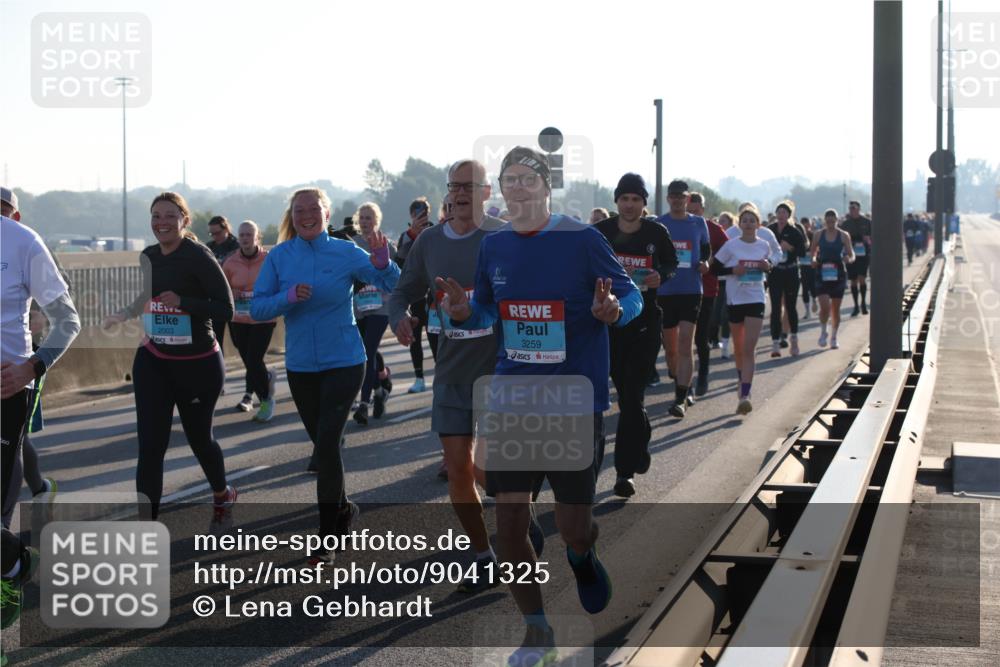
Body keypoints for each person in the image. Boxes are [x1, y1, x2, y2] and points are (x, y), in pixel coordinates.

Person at [438, 147, 642, 666]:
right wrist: (465, 309)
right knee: (508, 527)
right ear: (501, 190)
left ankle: (581, 555)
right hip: (512, 397)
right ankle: (537, 633)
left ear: (546, 186)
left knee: (574, 526)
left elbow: (631, 295)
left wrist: (613, 310)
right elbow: (484, 304)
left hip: (572, 399)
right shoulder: (496, 245)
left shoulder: (582, 239)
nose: (518, 188)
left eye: (528, 180)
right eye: (509, 181)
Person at [251, 188, 398, 564]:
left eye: (313, 209)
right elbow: (257, 308)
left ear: (327, 214)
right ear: (292, 216)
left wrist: (383, 262)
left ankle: (328, 539)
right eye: (299, 210)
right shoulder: (280, 256)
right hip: (301, 366)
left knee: (326, 445)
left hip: (346, 360)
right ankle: (344, 508)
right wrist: (287, 297)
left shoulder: (346, 251)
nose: (306, 215)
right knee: (326, 448)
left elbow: (391, 285)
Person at [388, 159, 507, 593]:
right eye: (453, 186)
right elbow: (402, 290)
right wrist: (399, 316)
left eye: (468, 187)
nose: (459, 194)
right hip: (452, 370)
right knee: (458, 467)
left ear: (486, 192)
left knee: (494, 470)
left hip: (500, 368)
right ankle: (482, 556)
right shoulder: (429, 242)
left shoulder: (504, 237)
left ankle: (518, 517)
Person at [102, 192, 237, 522]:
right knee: (150, 448)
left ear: (184, 220)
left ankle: (222, 493)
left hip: (197, 365)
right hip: (154, 359)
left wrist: (184, 302)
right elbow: (147, 296)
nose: (161, 222)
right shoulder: (148, 256)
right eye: (155, 216)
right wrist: (125, 312)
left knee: (199, 440)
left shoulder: (199, 257)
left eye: (169, 215)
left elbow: (226, 309)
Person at [1, 209, 80, 632]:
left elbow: (68, 320)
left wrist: (33, 366)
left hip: (8, 390)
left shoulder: (21, 241)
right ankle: (15, 559)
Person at [595, 173, 677, 498]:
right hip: (607, 326)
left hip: (644, 325)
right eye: (624, 199)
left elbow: (671, 263)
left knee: (631, 397)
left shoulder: (657, 232)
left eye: (636, 199)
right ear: (617, 201)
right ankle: (638, 442)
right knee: (606, 401)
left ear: (644, 204)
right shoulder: (601, 233)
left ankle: (624, 473)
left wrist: (662, 275)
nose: (630, 205)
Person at [656, 180, 711, 418]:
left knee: (685, 344)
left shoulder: (698, 223)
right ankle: (679, 380)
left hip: (691, 289)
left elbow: (706, 250)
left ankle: (680, 398)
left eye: (682, 196)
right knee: (670, 350)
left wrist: (705, 263)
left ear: (687, 199)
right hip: (666, 291)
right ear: (668, 198)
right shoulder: (660, 224)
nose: (677, 199)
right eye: (673, 196)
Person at [711, 202, 772, 414]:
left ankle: (745, 394)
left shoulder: (764, 245)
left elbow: (769, 265)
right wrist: (732, 269)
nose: (748, 223)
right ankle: (741, 380)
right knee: (739, 348)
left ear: (758, 224)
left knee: (749, 348)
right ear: (740, 223)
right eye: (744, 220)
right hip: (735, 300)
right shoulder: (731, 245)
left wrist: (767, 266)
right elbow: (714, 267)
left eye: (752, 220)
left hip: (756, 298)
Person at [223, 220, 277, 421]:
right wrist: (231, 292)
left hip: (263, 317)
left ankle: (266, 400)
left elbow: (279, 283)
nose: (245, 238)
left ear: (257, 237)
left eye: (249, 235)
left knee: (254, 359)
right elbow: (222, 289)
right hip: (240, 318)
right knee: (249, 361)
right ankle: (267, 378)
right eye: (242, 235)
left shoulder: (269, 260)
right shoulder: (230, 263)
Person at [352, 202, 398, 425]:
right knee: (366, 349)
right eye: (362, 217)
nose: (365, 221)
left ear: (377, 220)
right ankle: (381, 385)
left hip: (381, 306)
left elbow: (396, 275)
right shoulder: (352, 245)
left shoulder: (386, 244)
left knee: (368, 351)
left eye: (369, 218)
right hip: (360, 307)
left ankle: (363, 403)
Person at [395, 197, 438, 395]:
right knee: (415, 340)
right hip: (414, 298)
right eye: (417, 214)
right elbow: (399, 262)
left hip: (433, 297)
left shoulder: (437, 232)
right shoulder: (406, 236)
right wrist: (413, 233)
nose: (422, 218)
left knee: (436, 338)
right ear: (412, 215)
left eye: (425, 213)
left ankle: (442, 375)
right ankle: (419, 377)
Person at [689, 192, 728, 395]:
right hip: (680, 288)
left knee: (701, 336)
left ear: (702, 210)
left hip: (707, 288)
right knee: (679, 339)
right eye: (689, 211)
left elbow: (729, 248)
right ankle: (682, 377)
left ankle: (702, 374)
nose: (692, 214)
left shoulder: (713, 229)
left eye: (696, 211)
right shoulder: (676, 227)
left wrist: (711, 261)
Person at [810, 208, 856, 349]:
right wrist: (813, 260)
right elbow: (812, 252)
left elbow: (852, 254)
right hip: (822, 272)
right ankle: (824, 331)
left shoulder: (843, 235)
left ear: (837, 220)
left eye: (833, 221)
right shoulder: (818, 235)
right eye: (828, 221)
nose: (830, 223)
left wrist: (849, 258)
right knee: (825, 307)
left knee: (835, 309)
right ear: (825, 221)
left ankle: (834, 337)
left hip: (838, 273)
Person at [766, 201, 808, 357]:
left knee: (790, 307)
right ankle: (775, 343)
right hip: (775, 272)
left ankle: (794, 340)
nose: (781, 215)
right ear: (776, 214)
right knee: (775, 308)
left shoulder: (795, 231)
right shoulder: (770, 230)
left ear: (789, 215)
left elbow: (803, 252)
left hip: (790, 272)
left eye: (784, 212)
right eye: (779, 212)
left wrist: (790, 248)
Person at [205, 216, 240, 383]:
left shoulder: (237, 247)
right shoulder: (208, 248)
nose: (214, 237)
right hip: (216, 300)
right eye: (211, 233)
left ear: (226, 229)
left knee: (238, 341)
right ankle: (220, 379)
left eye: (217, 233)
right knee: (216, 341)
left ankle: (254, 379)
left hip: (237, 300)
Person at [841, 200, 872, 317]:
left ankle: (863, 303)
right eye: (850, 208)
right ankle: (856, 306)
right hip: (851, 253)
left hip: (863, 254)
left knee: (862, 278)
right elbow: (842, 239)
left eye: (854, 208)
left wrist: (867, 240)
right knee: (853, 280)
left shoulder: (867, 222)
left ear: (859, 209)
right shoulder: (845, 224)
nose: (852, 210)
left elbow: (873, 236)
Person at [712, 211, 736, 358]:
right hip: (716, 279)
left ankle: (725, 345)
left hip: (729, 280)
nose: (721, 224)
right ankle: (714, 338)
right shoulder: (714, 236)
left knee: (725, 314)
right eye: (719, 221)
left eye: (724, 221)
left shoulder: (734, 239)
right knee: (714, 314)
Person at [798, 216, 818, 319]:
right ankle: (807, 311)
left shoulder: (813, 235)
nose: (806, 227)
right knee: (805, 289)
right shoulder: (798, 236)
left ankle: (815, 300)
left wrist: (813, 254)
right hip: (802, 266)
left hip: (812, 265)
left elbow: (817, 248)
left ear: (810, 225)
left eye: (807, 225)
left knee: (813, 287)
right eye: (803, 225)